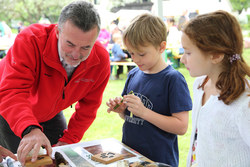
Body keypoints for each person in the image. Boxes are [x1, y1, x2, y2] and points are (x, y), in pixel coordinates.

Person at [0, 1, 110, 166]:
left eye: (85, 47)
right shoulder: (30, 40)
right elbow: (12, 92)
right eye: (70, 44)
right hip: (11, 110)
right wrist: (30, 129)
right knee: (26, 162)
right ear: (58, 32)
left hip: (51, 112)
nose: (75, 54)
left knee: (60, 159)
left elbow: (89, 108)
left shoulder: (100, 60)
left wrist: (69, 140)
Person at [106, 13, 192, 167]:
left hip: (159, 161)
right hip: (130, 157)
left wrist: (144, 112)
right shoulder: (133, 74)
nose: (136, 59)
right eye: (131, 53)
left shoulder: (173, 79)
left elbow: (181, 126)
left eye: (141, 54)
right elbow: (131, 119)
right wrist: (120, 109)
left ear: (161, 47)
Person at [180, 10, 250, 167]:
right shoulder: (199, 86)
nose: (183, 59)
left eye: (188, 52)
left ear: (216, 55)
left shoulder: (244, 104)